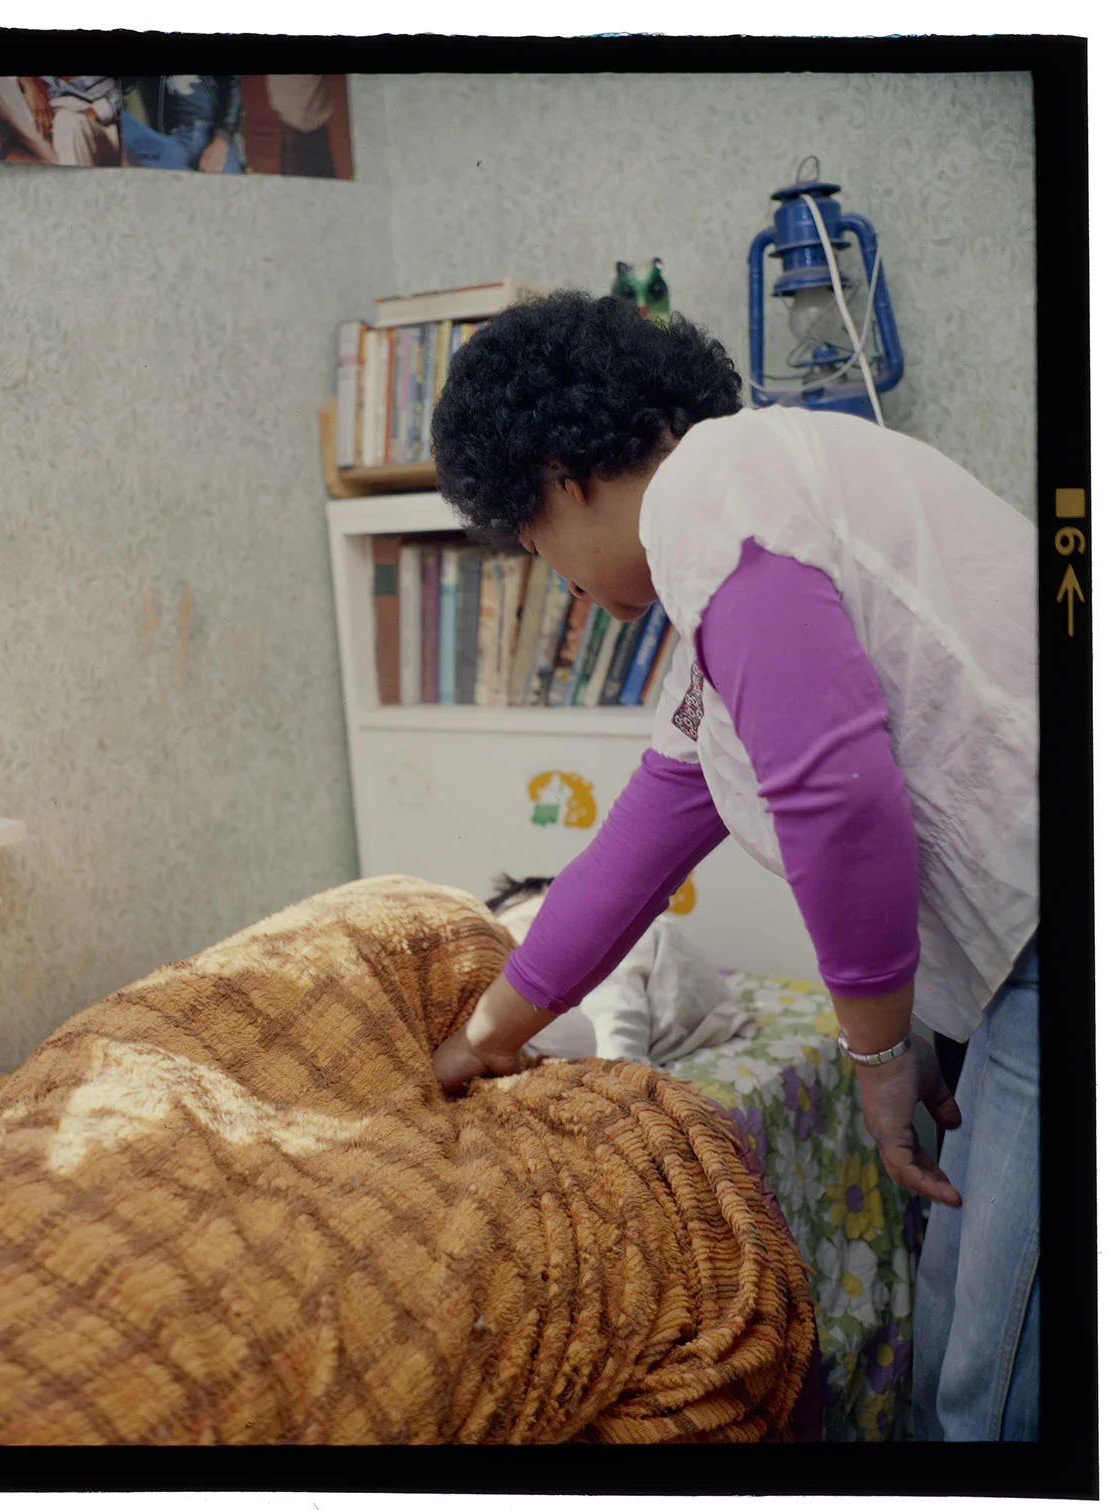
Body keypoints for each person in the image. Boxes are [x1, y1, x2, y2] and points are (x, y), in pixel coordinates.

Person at [427, 290, 1039, 1443]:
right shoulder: (732, 571)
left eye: (540, 551)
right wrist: (483, 1039)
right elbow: (635, 849)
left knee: (995, 1387)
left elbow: (840, 799)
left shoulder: (714, 492)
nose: (566, 587)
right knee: (958, 1307)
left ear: (561, 476)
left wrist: (875, 1052)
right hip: (1029, 952)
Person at [119, 76, 244, 174]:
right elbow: (118, 86)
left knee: (227, 198)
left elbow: (233, 86)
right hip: (168, 146)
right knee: (113, 116)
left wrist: (221, 140)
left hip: (210, 138)